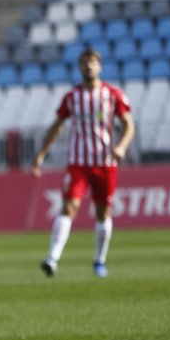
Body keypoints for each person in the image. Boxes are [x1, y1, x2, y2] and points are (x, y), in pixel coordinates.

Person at [30, 48, 135, 278]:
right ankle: (52, 258)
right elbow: (56, 126)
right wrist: (41, 154)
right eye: (85, 62)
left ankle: (99, 261)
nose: (89, 66)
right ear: (79, 67)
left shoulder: (112, 94)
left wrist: (121, 146)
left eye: (93, 62)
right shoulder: (72, 97)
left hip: (105, 163)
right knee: (69, 206)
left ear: (100, 66)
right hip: (78, 163)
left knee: (103, 212)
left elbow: (129, 125)